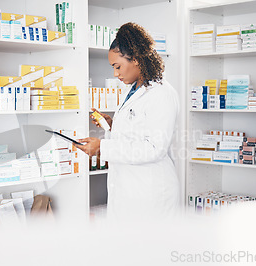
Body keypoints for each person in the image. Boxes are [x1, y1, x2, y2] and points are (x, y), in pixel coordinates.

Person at [76, 22, 179, 220]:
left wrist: (101, 148)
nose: (115, 74)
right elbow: (137, 132)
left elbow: (154, 147)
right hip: (129, 191)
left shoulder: (161, 94)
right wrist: (113, 125)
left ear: (137, 59)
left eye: (118, 66)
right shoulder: (133, 89)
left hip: (151, 194)